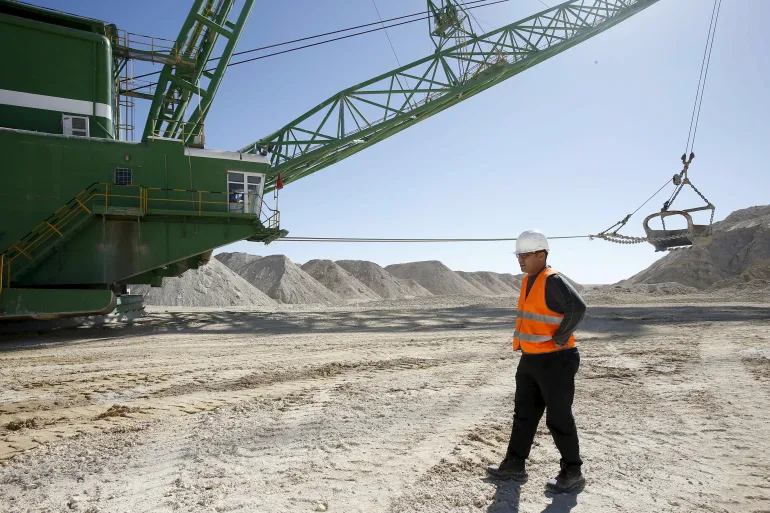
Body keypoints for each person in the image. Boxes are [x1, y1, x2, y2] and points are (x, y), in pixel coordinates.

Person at [487, 229, 587, 494]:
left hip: (557, 360)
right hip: (531, 359)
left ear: (541, 255)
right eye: (518, 255)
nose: (520, 259)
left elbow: (578, 308)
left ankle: (573, 472)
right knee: (524, 414)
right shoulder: (528, 280)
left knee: (558, 417)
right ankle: (514, 464)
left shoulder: (552, 279)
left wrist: (561, 337)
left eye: (525, 255)